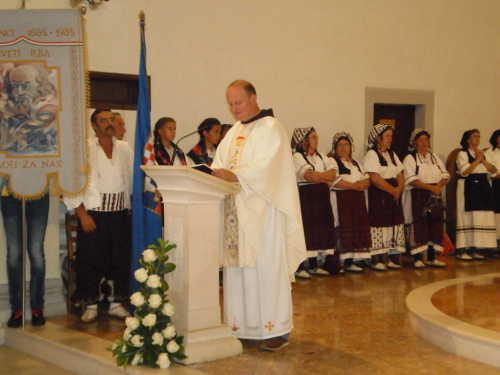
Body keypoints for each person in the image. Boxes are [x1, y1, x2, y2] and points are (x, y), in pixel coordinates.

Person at [211, 80, 306, 351]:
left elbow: (269, 169)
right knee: (240, 272)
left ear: (253, 98)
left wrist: (236, 175)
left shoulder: (271, 128)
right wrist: (213, 174)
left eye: (238, 102)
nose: (233, 108)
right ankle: (242, 327)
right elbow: (220, 162)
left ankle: (274, 330)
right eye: (230, 104)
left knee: (265, 270)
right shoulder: (232, 133)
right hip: (236, 213)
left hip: (264, 215)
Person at [63, 109, 133, 323]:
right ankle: (91, 305)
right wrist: (82, 213)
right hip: (94, 214)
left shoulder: (124, 148)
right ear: (94, 126)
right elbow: (71, 181)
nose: (109, 123)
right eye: (103, 120)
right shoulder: (83, 148)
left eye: (112, 119)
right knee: (91, 260)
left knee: (119, 260)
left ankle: (115, 303)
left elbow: (133, 178)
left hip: (120, 214)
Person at [1, 179, 49, 327]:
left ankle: (37, 308)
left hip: (39, 190)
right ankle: (17, 309)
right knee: (14, 253)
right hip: (8, 191)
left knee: (36, 253)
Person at [291, 127, 337, 278]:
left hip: (321, 197)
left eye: (316, 136)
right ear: (303, 140)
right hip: (306, 197)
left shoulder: (322, 157)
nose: (316, 139)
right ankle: (299, 267)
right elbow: (308, 176)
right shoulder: (297, 156)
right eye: (312, 137)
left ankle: (313, 265)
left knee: (319, 229)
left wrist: (321, 177)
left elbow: (333, 175)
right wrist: (325, 178)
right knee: (306, 229)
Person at [402, 129, 450, 268]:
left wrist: (438, 186)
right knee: (419, 225)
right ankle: (417, 258)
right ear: (414, 142)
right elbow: (410, 179)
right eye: (421, 140)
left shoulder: (434, 157)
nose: (424, 143)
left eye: (426, 140)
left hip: (434, 195)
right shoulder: (410, 158)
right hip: (418, 196)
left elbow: (445, 175)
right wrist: (430, 188)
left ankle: (431, 258)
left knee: (434, 225)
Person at [363, 124, 405, 271]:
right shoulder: (372, 154)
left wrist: (399, 188)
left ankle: (386, 257)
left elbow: (400, 174)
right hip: (379, 194)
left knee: (390, 224)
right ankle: (376, 259)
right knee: (378, 224)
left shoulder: (392, 154)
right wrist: (392, 190)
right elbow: (374, 178)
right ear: (378, 138)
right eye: (387, 136)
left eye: (391, 136)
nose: (390, 139)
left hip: (393, 195)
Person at [330, 132, 372, 272]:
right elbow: (334, 182)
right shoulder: (333, 162)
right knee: (341, 228)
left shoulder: (356, 163)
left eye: (346, 145)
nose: (343, 148)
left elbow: (367, 178)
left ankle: (349, 261)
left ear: (350, 147)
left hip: (356, 202)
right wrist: (353, 186)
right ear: (335, 148)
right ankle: (337, 262)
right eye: (340, 145)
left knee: (354, 228)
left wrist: (364, 184)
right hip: (340, 202)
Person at [455, 129, 497, 260]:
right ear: (468, 139)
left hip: (483, 187)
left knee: (478, 217)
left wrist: (482, 160)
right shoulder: (462, 154)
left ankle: (474, 248)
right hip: (468, 186)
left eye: (479, 136)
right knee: (466, 217)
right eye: (474, 136)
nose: (477, 139)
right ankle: (462, 250)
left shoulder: (484, 154)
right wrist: (477, 160)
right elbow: (465, 171)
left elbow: (493, 170)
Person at [0, 63, 58, 155]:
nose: (19, 92)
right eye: (15, 87)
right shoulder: (8, 116)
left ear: (40, 88)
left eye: (26, 86)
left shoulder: (49, 113)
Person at [486, 129, 500, 256]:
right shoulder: (489, 153)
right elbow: (491, 171)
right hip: (496, 185)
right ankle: (495, 245)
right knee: (496, 215)